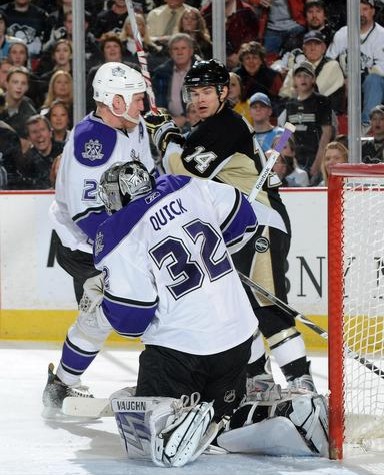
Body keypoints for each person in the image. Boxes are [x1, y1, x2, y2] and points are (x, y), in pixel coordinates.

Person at [93, 161, 328, 467]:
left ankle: (171, 424)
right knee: (222, 417)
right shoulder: (185, 185)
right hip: (239, 342)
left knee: (143, 420)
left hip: (181, 353)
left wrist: (105, 300)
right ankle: (281, 413)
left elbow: (132, 317)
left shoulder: (118, 231)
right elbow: (242, 216)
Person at [144, 59, 316, 396]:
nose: (200, 98)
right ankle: (258, 381)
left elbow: (183, 170)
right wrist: (173, 137)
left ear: (223, 92)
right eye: (194, 92)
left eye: (207, 90)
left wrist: (166, 136)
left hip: (260, 223)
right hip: (238, 231)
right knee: (240, 311)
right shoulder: (206, 129)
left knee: (267, 307)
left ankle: (301, 384)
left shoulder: (225, 125)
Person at [41, 62, 155, 414]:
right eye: (137, 100)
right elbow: (87, 215)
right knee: (118, 310)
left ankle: (62, 383)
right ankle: (65, 384)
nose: (143, 106)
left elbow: (149, 179)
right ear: (114, 101)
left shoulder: (132, 126)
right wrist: (126, 252)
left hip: (119, 239)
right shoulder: (93, 140)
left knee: (112, 312)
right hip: (87, 246)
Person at [326, 0, 384, 133]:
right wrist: (342, 79)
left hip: (371, 83)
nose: (360, 13)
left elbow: (381, 68)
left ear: (373, 11)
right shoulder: (292, 108)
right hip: (296, 146)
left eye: (365, 9)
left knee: (374, 80)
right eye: (357, 9)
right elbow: (328, 62)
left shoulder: (381, 35)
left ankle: (366, 125)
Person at [278, 60, 333, 182]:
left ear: (313, 79)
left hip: (315, 157)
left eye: (306, 76)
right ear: (294, 80)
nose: (303, 79)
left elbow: (326, 133)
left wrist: (318, 163)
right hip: (296, 159)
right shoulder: (290, 104)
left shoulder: (322, 101)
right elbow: (287, 134)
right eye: (299, 76)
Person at [279, 30, 345, 115]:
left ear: (323, 48)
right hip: (300, 113)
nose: (312, 48)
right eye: (309, 44)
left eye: (317, 44)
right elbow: (284, 95)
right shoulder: (297, 67)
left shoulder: (332, 65)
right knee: (285, 117)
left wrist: (294, 92)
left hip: (325, 116)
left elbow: (313, 92)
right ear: (303, 48)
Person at [152, 32, 198, 129]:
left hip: (196, 120)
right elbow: (157, 101)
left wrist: (185, 117)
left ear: (191, 51)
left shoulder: (200, 72)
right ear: (170, 53)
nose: (179, 52)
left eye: (183, 48)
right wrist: (167, 119)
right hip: (167, 122)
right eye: (175, 49)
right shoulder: (161, 73)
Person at [234, 41, 284, 118]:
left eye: (255, 57)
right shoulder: (235, 76)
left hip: (268, 118)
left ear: (261, 60)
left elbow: (282, 101)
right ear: (242, 62)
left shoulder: (273, 76)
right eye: (247, 58)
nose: (251, 62)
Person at [19, 113, 64, 188]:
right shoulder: (26, 161)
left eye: (42, 130)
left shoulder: (65, 151)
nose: (39, 135)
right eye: (34, 132)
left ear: (50, 133)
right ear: (29, 138)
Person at [0, 65, 37, 153]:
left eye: (23, 83)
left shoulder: (30, 111)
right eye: (15, 82)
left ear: (27, 87)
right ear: (6, 84)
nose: (19, 87)